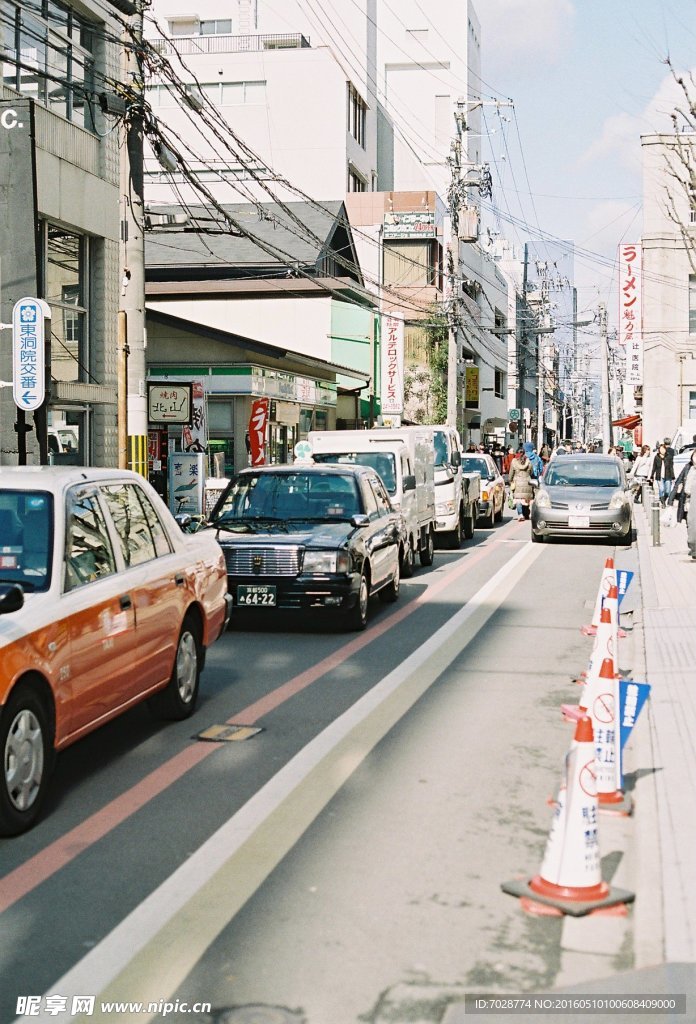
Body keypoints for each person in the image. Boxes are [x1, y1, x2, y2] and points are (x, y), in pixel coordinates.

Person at [667, 449, 696, 560]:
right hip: (688, 501)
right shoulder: (688, 468)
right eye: (694, 456)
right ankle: (693, 547)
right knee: (690, 523)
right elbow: (678, 482)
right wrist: (670, 500)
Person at [509, 447, 534, 521]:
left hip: (518, 482)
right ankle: (526, 513)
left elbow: (511, 473)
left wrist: (510, 480)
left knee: (518, 499)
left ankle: (520, 514)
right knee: (526, 498)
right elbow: (531, 472)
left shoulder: (514, 461)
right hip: (527, 482)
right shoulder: (528, 461)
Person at [650, 442, 675, 507]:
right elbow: (654, 467)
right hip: (659, 476)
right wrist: (651, 476)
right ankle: (663, 503)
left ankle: (663, 498)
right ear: (659, 450)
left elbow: (671, 467)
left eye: (663, 449)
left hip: (668, 476)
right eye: (661, 449)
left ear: (665, 449)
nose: (662, 450)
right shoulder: (656, 457)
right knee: (661, 489)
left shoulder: (669, 457)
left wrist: (673, 477)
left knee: (667, 491)